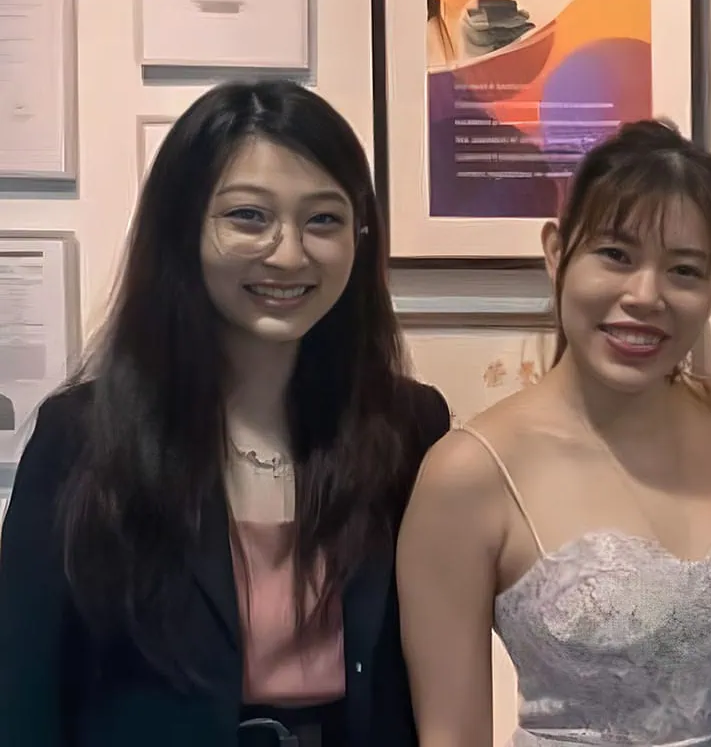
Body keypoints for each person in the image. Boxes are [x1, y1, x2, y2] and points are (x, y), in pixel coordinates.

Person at [0, 80, 451, 747]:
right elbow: (22, 692)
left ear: (360, 236)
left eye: (323, 220)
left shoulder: (411, 426)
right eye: (248, 216)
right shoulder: (82, 439)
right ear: (182, 227)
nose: (289, 253)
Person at [397, 119, 711, 747]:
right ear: (556, 252)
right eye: (616, 255)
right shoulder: (470, 473)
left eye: (685, 270)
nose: (646, 295)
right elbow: (451, 735)